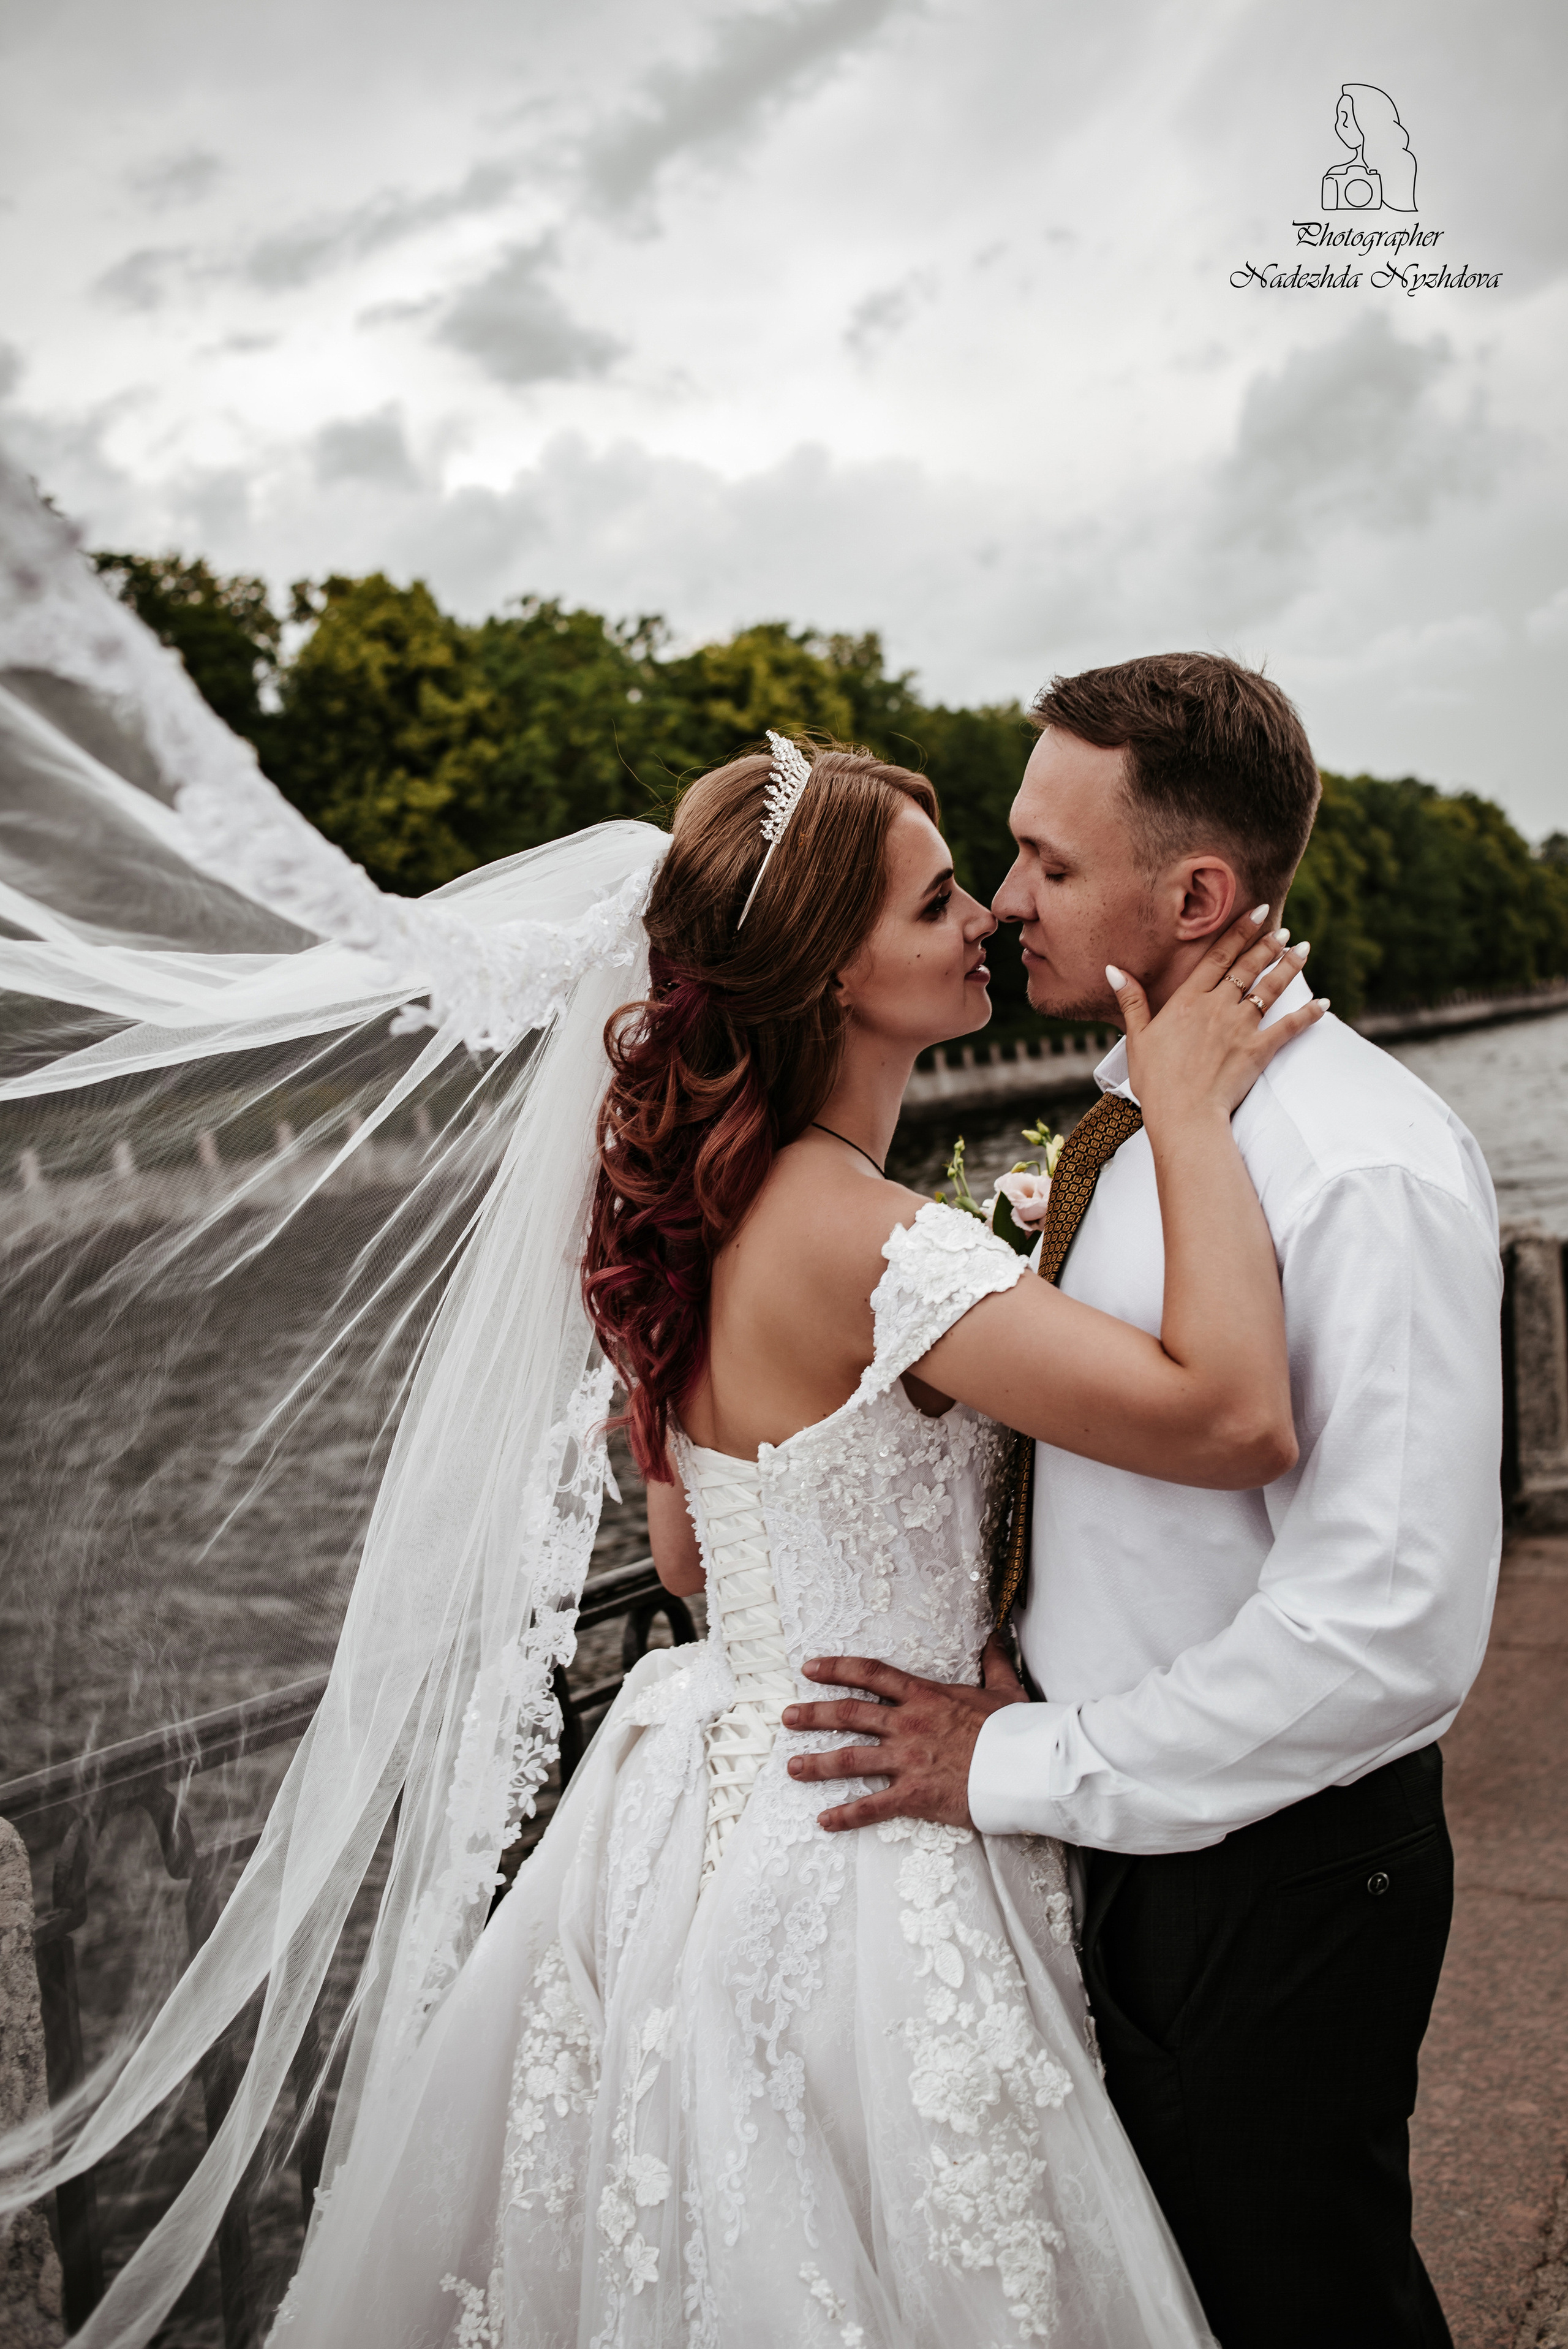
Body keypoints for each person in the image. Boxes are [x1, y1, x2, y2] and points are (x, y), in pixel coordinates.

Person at [247, 730, 1321, 2348]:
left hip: (715, 1801)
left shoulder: (711, 1212)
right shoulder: (868, 1239)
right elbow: (1238, 1414)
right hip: (874, 1838)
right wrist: (1184, 1102)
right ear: (830, 969)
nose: (986, 919)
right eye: (935, 900)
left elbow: (687, 1564)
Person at [788, 655, 1501, 2349]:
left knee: (1306, 2304)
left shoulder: (1358, 1165)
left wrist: (1011, 1759)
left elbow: (1387, 1629)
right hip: (1123, 1839)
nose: (1005, 899)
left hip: (1272, 1869)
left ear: (1193, 893)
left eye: (1043, 858)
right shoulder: (1140, 1121)